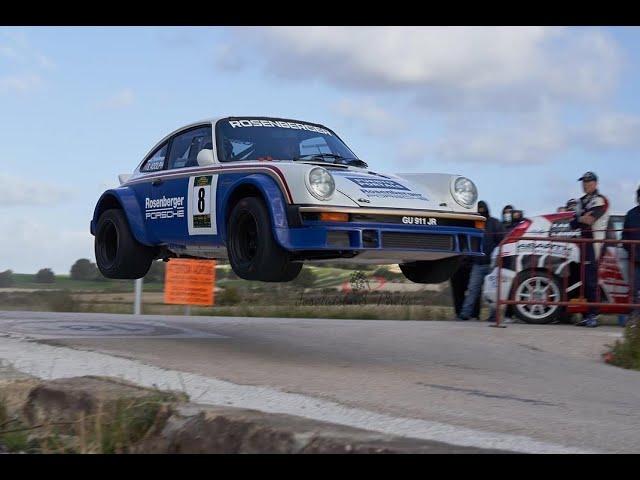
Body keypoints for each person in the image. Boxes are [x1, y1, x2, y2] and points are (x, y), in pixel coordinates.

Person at [570, 172, 610, 328]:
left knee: (592, 281)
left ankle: (593, 315)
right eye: (583, 181)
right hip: (583, 245)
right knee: (584, 282)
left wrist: (580, 218)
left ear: (595, 183)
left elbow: (589, 220)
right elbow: (572, 223)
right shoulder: (580, 201)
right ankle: (586, 315)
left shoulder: (601, 199)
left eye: (588, 181)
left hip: (596, 244)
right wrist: (580, 219)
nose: (585, 184)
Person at [457, 201, 505, 321]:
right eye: (479, 208)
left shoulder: (495, 223)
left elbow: (503, 241)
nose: (481, 210)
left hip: (492, 264)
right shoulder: (473, 224)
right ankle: (465, 314)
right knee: (472, 290)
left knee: (492, 291)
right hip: (477, 264)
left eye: (483, 208)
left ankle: (494, 316)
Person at [622, 185, 640, 317]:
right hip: (634, 259)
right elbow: (624, 237)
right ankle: (634, 318)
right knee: (634, 290)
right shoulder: (631, 214)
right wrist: (631, 249)